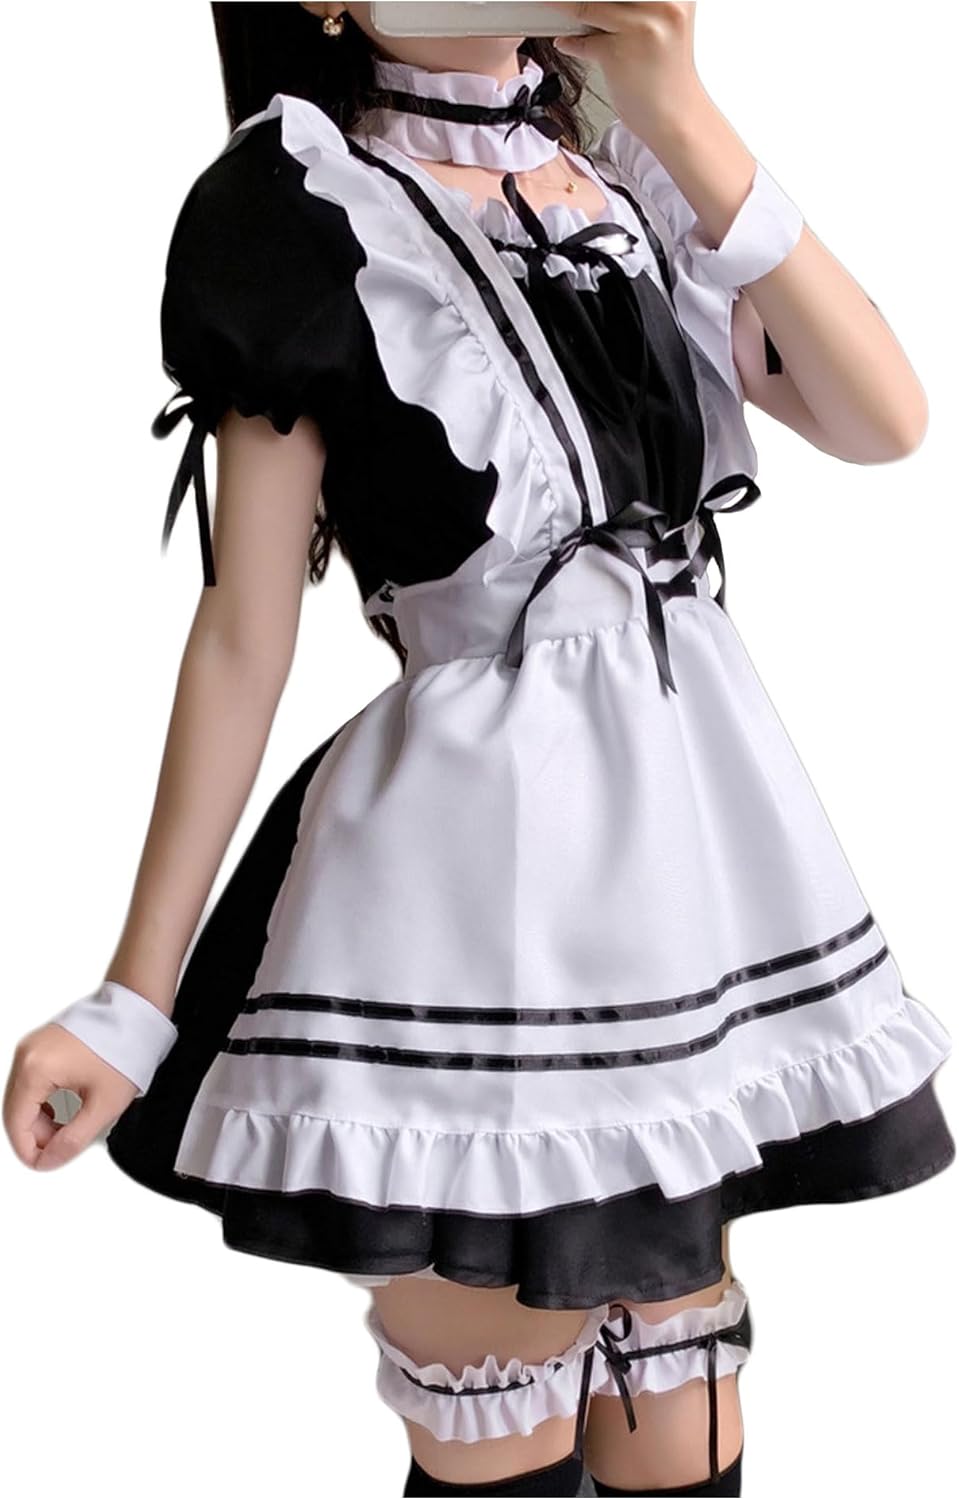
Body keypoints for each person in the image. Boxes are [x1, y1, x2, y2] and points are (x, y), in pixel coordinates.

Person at [4, 3, 954, 1496]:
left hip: (693, 880)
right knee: (501, 1390)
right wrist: (132, 1001)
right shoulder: (299, 204)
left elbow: (885, 417)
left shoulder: (624, 173)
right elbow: (244, 635)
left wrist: (680, 111)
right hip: (468, 896)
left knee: (680, 1407)